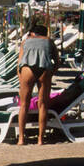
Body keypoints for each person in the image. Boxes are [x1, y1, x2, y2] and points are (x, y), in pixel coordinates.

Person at [17, 16, 60, 146]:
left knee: (24, 104)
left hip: (27, 70)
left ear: (34, 33)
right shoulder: (49, 41)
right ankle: (40, 139)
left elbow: (19, 62)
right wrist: (51, 73)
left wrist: (20, 77)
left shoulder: (26, 41)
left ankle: (21, 139)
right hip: (44, 69)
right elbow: (57, 61)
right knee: (43, 105)